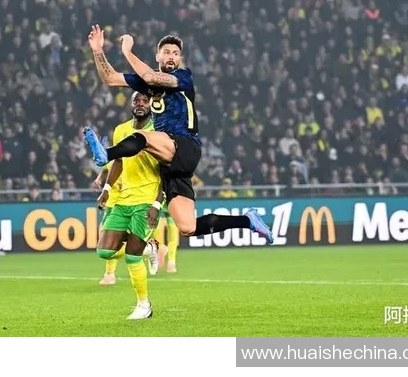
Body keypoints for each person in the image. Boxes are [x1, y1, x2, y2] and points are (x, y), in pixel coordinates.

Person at [83, 25, 273, 244]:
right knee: (187, 227)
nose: (171, 56)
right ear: (158, 56)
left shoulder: (183, 77)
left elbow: (151, 77)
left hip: (185, 146)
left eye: (175, 53)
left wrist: (127, 51)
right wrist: (98, 51)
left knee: (143, 137)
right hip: (170, 163)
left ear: (180, 58)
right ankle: (248, 221)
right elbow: (110, 78)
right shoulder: (147, 83)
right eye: (166, 52)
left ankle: (106, 154)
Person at [94, 91, 164, 320]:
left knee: (132, 257)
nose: (140, 104)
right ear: (131, 104)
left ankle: (144, 305)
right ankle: (149, 247)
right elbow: (118, 162)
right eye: (137, 100)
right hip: (123, 199)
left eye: (145, 101)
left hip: (147, 200)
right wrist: (106, 188)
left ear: (151, 105)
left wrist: (157, 203)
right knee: (104, 251)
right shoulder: (121, 130)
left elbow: (167, 171)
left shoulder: (159, 132)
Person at [154, 202, 180, 273]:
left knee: (159, 223)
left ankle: (161, 247)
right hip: (170, 199)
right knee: (172, 228)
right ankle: (171, 262)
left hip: (161, 199)